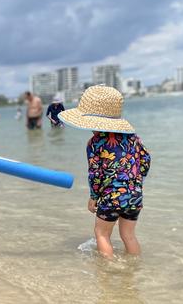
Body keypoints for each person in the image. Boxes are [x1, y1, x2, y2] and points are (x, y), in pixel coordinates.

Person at [58, 85, 151, 259]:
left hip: (110, 197)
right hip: (135, 196)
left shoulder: (94, 143)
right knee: (128, 236)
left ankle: (108, 270)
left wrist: (94, 197)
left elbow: (95, 174)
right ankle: (134, 268)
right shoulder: (134, 138)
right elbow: (146, 160)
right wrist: (136, 182)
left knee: (101, 234)